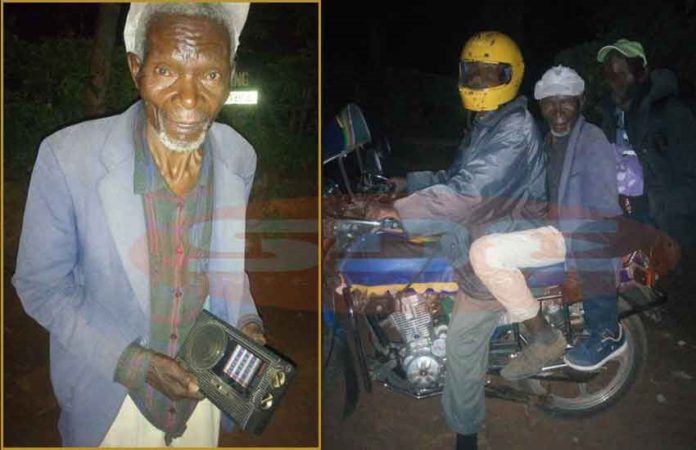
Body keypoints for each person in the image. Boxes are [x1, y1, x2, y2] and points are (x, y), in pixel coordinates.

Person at [12, 3, 265, 447]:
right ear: (136, 69)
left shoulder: (238, 158)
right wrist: (136, 364)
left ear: (229, 73)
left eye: (209, 75)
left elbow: (227, 268)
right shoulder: (69, 159)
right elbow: (41, 287)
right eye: (166, 70)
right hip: (110, 403)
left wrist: (246, 322)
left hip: (200, 400)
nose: (188, 99)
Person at [367, 31, 547, 450]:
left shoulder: (515, 128)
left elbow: (470, 193)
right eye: (475, 73)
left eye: (490, 74)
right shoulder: (490, 122)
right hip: (485, 225)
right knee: (418, 256)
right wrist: (403, 185)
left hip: (503, 239)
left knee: (462, 341)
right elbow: (455, 178)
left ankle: (467, 433)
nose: (481, 83)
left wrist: (401, 210)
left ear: (510, 76)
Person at [468, 65, 626, 377]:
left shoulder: (591, 140)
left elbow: (603, 209)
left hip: (576, 234)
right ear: (541, 106)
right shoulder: (548, 142)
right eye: (550, 102)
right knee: (478, 234)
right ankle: (502, 316)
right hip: (550, 228)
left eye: (566, 100)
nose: (558, 109)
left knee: (486, 253)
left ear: (579, 101)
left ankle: (587, 335)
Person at [597, 38, 696, 249]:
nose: (615, 82)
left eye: (622, 74)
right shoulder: (611, 117)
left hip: (671, 228)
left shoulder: (669, 112)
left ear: (642, 73)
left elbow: (689, 175)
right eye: (610, 75)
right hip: (630, 221)